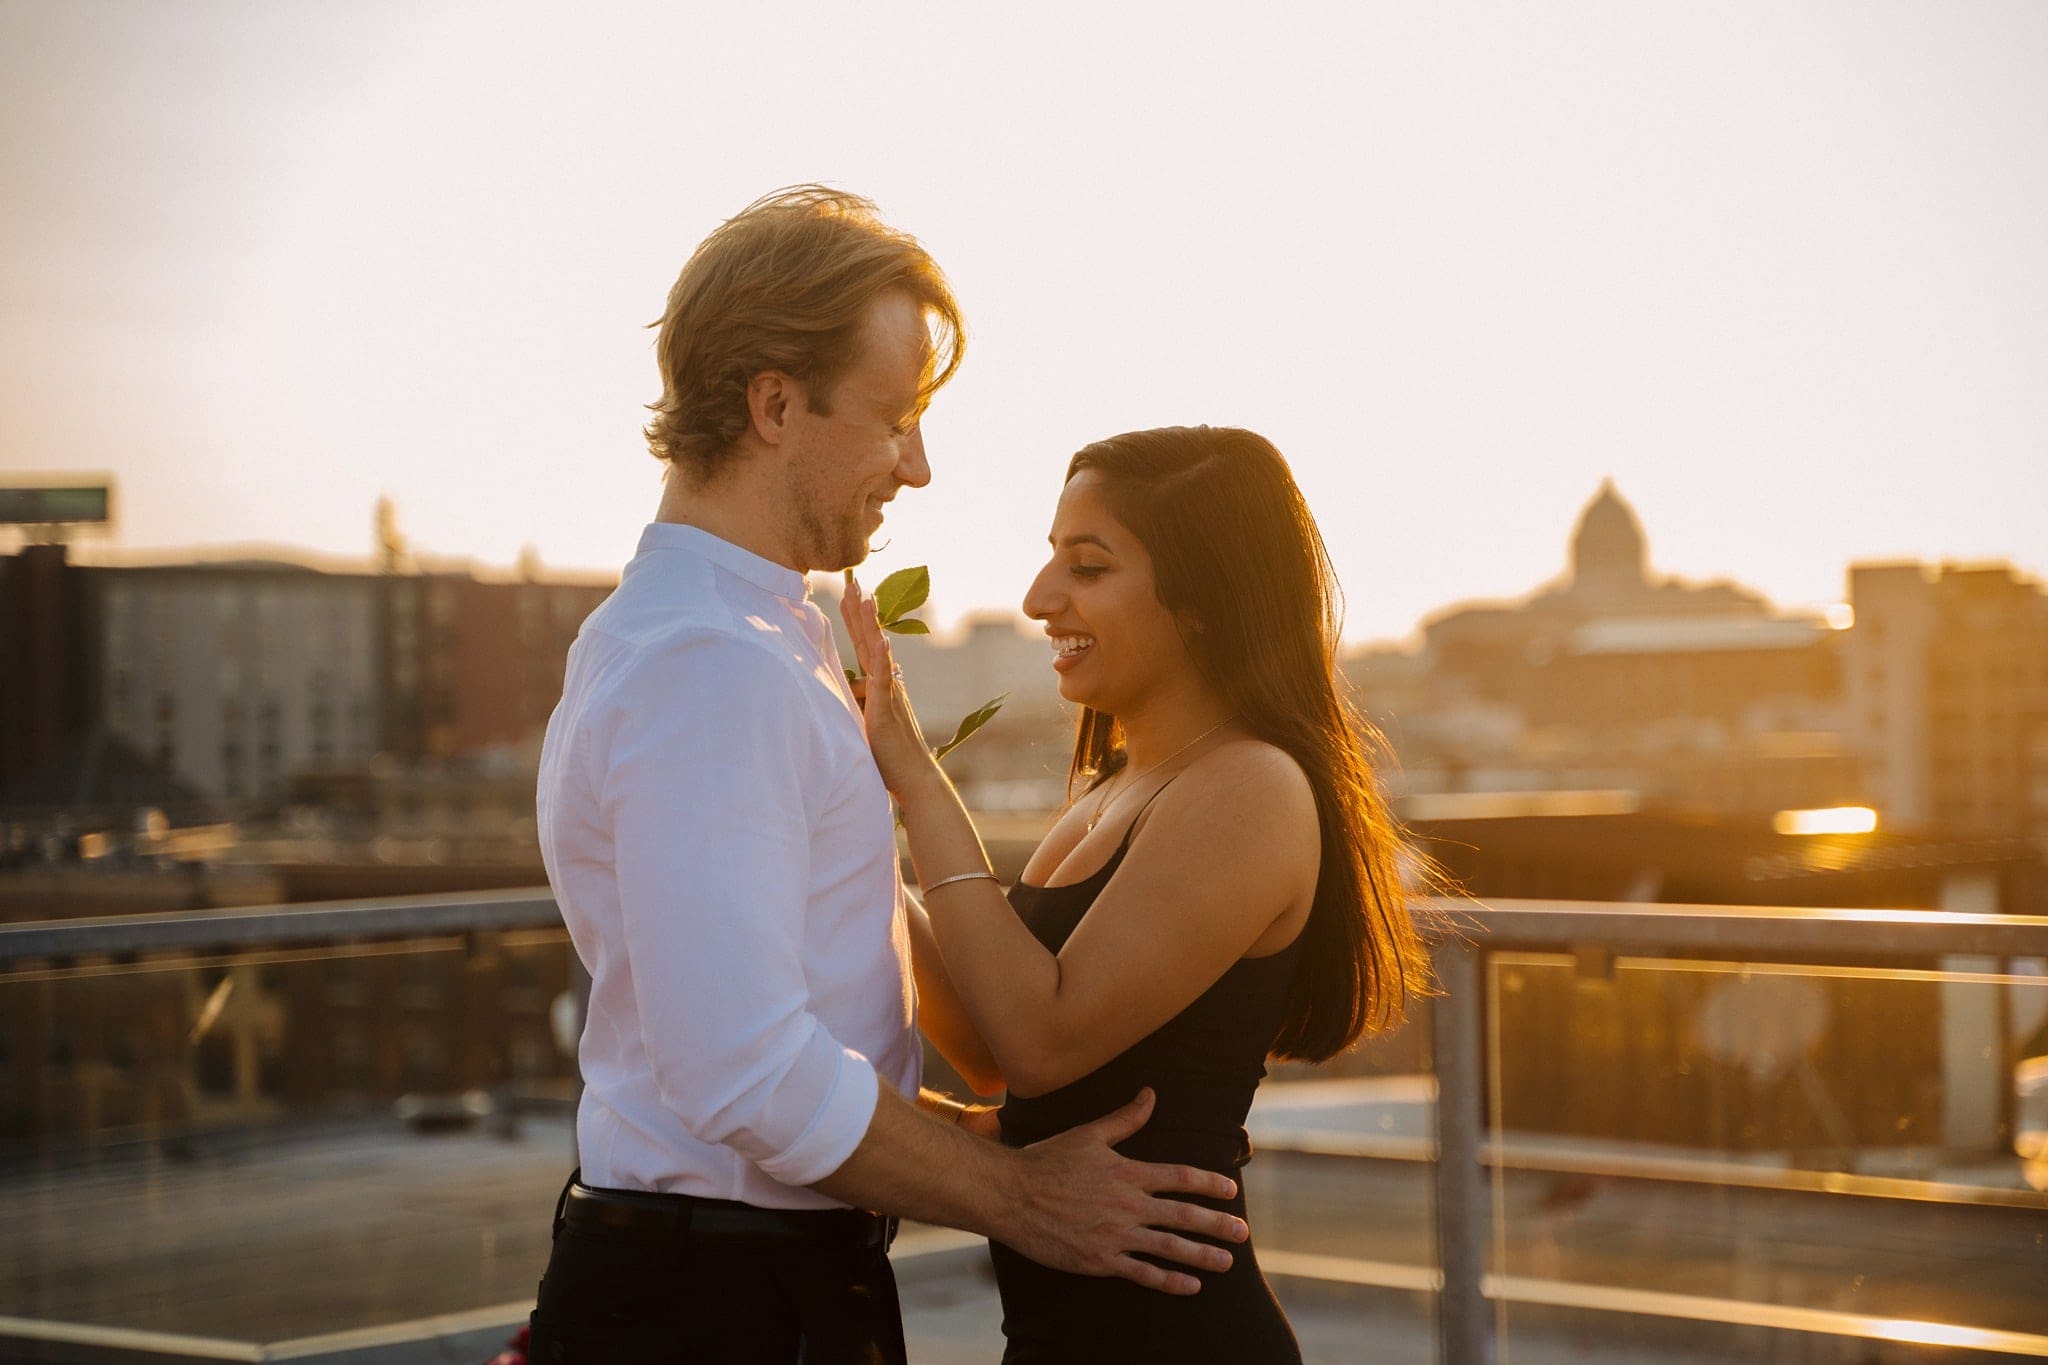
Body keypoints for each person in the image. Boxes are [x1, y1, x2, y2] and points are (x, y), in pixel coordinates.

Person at [524, 190, 1247, 1365]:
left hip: (741, 1285)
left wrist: (980, 1148)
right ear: (773, 403)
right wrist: (1019, 1196)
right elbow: (745, 1071)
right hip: (719, 1313)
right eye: (894, 416)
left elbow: (796, 980)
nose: (915, 466)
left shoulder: (718, 635)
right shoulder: (713, 666)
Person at [841, 424, 1433, 1363]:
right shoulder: (1119, 786)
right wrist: (845, 824)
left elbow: (1041, 1042)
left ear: (1202, 600)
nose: (1040, 600)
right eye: (1051, 562)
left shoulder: (1249, 787)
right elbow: (989, 1047)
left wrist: (917, 781)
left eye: (1088, 566)